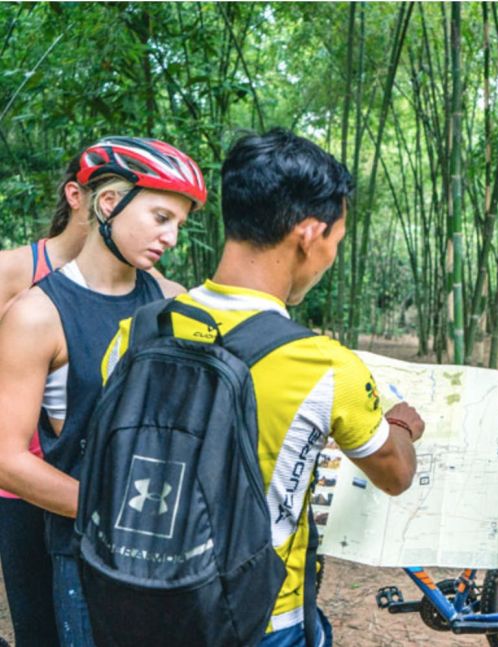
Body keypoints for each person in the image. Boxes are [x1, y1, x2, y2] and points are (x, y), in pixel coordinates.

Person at [101, 128, 423, 646]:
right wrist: (402, 423)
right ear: (309, 233)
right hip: (261, 619)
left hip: (137, 605)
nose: (331, 257)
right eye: (335, 242)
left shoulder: (135, 334)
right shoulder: (326, 366)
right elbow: (396, 474)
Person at [0, 136, 205, 646]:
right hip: (82, 547)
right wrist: (117, 512)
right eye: (161, 217)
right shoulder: (35, 314)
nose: (172, 237)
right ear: (108, 203)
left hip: (169, 549)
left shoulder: (173, 302)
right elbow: (6, 459)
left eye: (179, 224)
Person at [0, 151, 90, 647]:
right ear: (77, 196)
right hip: (21, 483)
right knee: (38, 627)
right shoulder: (14, 270)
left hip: (86, 478)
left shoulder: (140, 284)